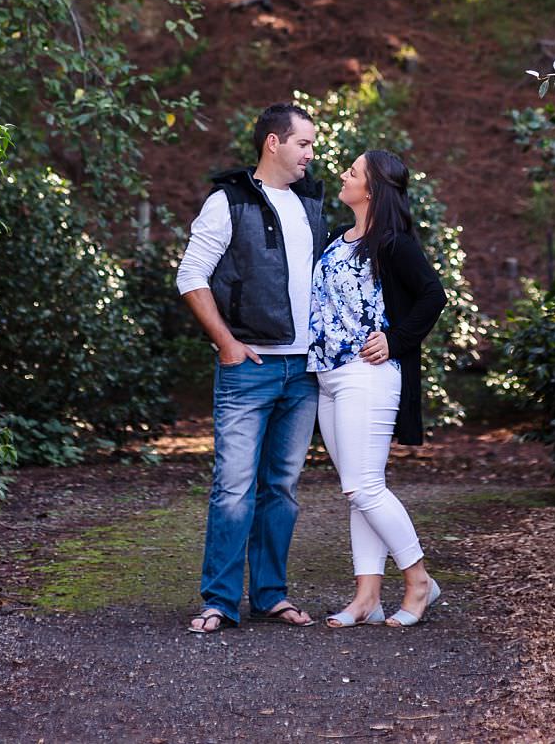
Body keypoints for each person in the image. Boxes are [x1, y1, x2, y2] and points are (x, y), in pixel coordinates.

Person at [177, 101, 328, 633]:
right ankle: (218, 601)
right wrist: (226, 343)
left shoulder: (312, 202)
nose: (312, 153)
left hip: (303, 371)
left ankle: (270, 595)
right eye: (304, 143)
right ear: (274, 143)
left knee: (282, 488)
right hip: (250, 366)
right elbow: (191, 274)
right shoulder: (228, 201)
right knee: (234, 487)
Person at [309, 147, 447, 629]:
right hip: (327, 377)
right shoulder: (336, 238)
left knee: (363, 486)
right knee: (359, 491)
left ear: (372, 189)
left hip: (366, 375)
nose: (343, 176)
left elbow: (434, 294)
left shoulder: (392, 242)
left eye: (352, 172)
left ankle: (418, 580)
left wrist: (397, 339)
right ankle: (367, 597)